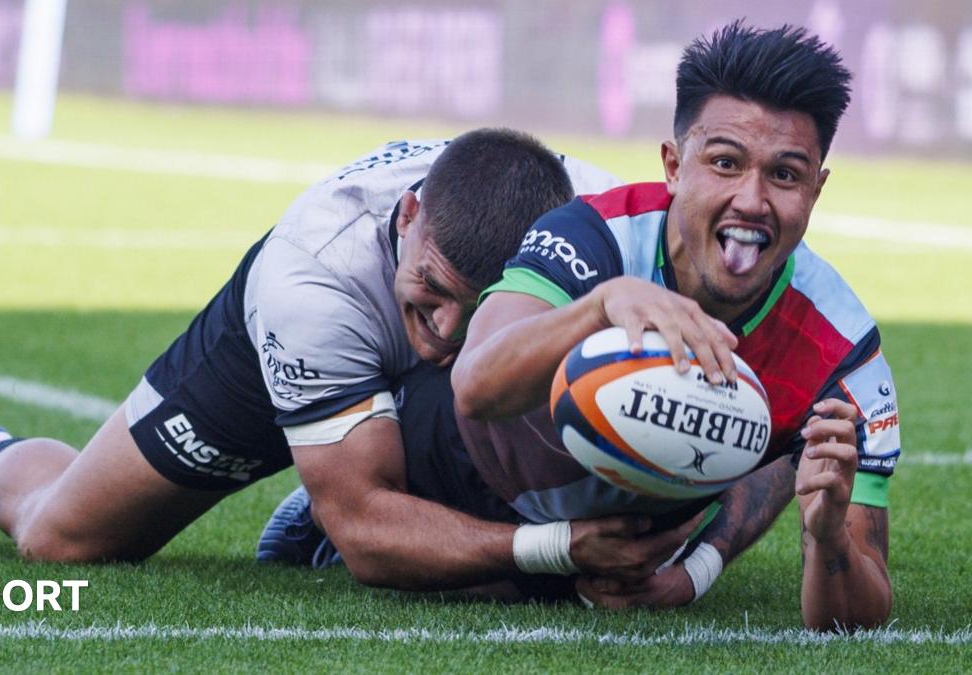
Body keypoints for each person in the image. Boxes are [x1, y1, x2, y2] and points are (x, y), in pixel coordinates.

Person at [0, 128, 645, 591]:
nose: (449, 330)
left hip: (417, 362)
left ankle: (318, 506)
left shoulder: (595, 228)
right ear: (410, 214)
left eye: (479, 304)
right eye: (432, 289)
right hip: (291, 341)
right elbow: (370, 531)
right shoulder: (312, 280)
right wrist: (558, 545)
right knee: (65, 539)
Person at [263, 22, 897, 630]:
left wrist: (821, 536)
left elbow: (855, 619)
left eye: (784, 175)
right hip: (466, 471)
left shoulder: (844, 352)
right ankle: (324, 524)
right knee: (487, 576)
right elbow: (475, 382)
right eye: (726, 163)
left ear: (816, 189)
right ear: (674, 167)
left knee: (786, 441)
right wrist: (600, 306)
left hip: (636, 527)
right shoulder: (595, 233)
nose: (752, 200)